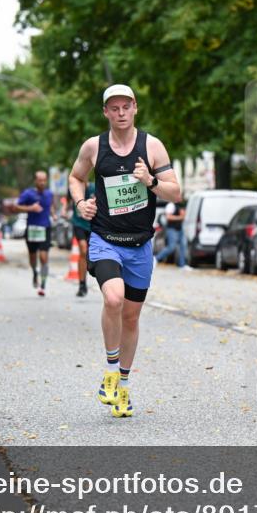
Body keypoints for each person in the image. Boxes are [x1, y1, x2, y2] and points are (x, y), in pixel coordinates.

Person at [68, 84, 182, 417]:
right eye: (113, 108)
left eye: (125, 107)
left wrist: (150, 181)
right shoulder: (93, 146)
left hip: (140, 245)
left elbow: (175, 192)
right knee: (113, 298)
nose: (120, 113)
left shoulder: (152, 146)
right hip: (105, 239)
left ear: (134, 108)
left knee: (131, 317)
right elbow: (76, 177)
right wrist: (80, 204)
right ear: (105, 112)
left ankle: (123, 387)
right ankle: (109, 371)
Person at [16, 171, 56, 297]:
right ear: (35, 181)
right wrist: (30, 208)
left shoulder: (49, 194)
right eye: (40, 180)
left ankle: (43, 284)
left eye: (44, 180)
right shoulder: (28, 193)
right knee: (33, 257)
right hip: (32, 229)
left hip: (45, 228)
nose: (42, 182)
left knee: (44, 257)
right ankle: (34, 272)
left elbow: (50, 206)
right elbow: (17, 206)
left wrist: (53, 214)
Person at [68, 181, 96, 296]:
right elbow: (68, 203)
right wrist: (65, 210)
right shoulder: (74, 188)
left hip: (93, 225)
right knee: (83, 250)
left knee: (92, 253)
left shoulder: (94, 188)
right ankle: (82, 284)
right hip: (78, 224)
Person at [153, 200, 188, 268]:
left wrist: (183, 215)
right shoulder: (171, 205)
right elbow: (168, 217)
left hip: (180, 229)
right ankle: (156, 258)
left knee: (183, 246)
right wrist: (180, 217)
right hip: (172, 229)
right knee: (171, 247)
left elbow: (183, 215)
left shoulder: (180, 205)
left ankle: (182, 265)